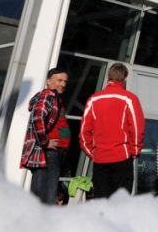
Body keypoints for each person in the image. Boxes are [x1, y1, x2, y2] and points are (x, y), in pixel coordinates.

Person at [80, 63, 145, 198]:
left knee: (101, 200)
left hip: (100, 158)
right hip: (122, 156)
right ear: (125, 78)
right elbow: (137, 128)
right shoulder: (129, 98)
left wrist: (92, 152)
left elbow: (84, 131)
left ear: (108, 77)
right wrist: (135, 151)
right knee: (120, 202)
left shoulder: (93, 99)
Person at [20, 67, 70, 204]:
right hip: (47, 154)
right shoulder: (47, 96)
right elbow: (38, 117)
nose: (63, 84)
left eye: (65, 81)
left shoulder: (55, 98)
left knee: (45, 196)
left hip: (53, 154)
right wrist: (46, 142)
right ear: (48, 81)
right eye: (59, 80)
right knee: (44, 198)